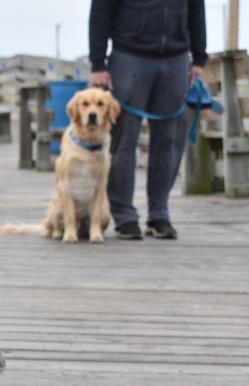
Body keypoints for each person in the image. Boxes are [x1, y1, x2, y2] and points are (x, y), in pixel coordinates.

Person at [89, 0, 207, 240]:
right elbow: (101, 10)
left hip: (176, 58)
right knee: (124, 141)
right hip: (129, 56)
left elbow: (196, 8)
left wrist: (199, 57)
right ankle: (124, 216)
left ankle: (159, 213)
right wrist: (98, 62)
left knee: (170, 141)